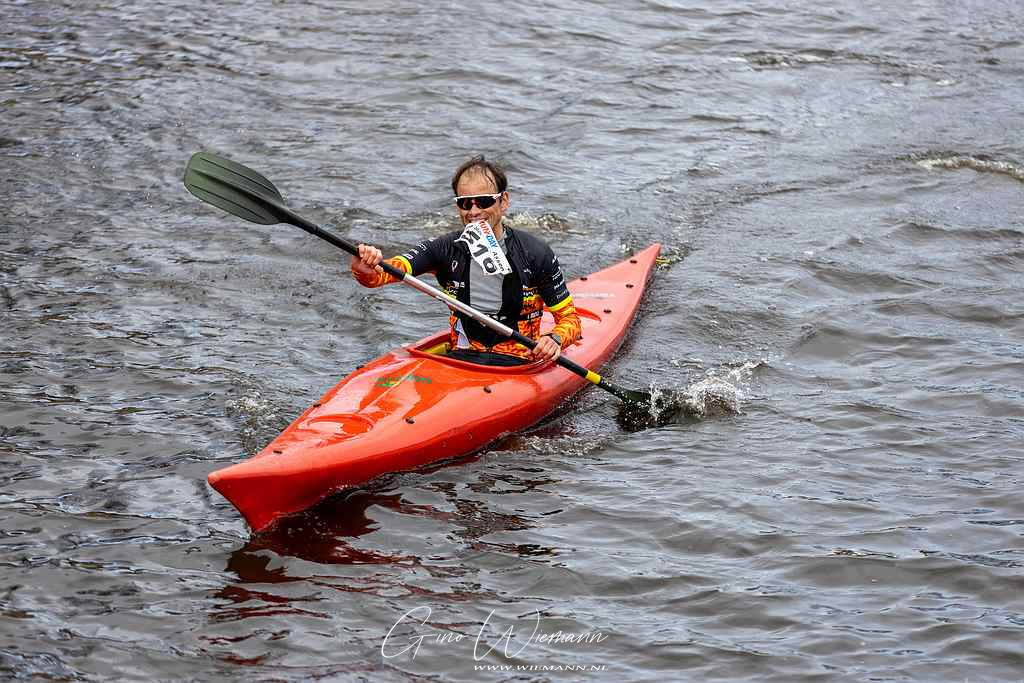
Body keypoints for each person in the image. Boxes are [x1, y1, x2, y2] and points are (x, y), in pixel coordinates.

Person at [350, 155, 582, 366]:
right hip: (461, 360)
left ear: (503, 202)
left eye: (483, 201)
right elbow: (378, 276)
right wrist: (364, 268)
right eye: (465, 203)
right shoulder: (444, 248)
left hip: (518, 362)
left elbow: (570, 320)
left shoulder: (535, 252)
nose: (473, 211)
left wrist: (555, 338)